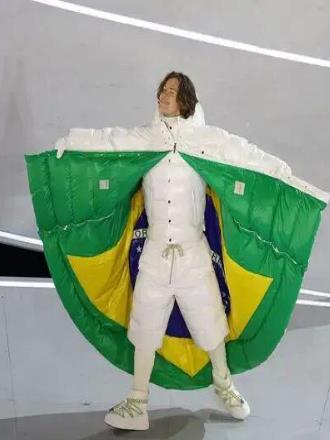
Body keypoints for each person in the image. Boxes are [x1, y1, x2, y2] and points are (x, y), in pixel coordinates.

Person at [55, 71, 292, 430]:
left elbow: (243, 153)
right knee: (144, 329)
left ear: (186, 100)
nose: (164, 96)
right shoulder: (147, 138)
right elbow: (110, 141)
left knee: (211, 325)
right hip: (154, 255)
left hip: (193, 255)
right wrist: (72, 141)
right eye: (162, 90)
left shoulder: (204, 139)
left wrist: (280, 170)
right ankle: (137, 401)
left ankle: (224, 385)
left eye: (172, 91)